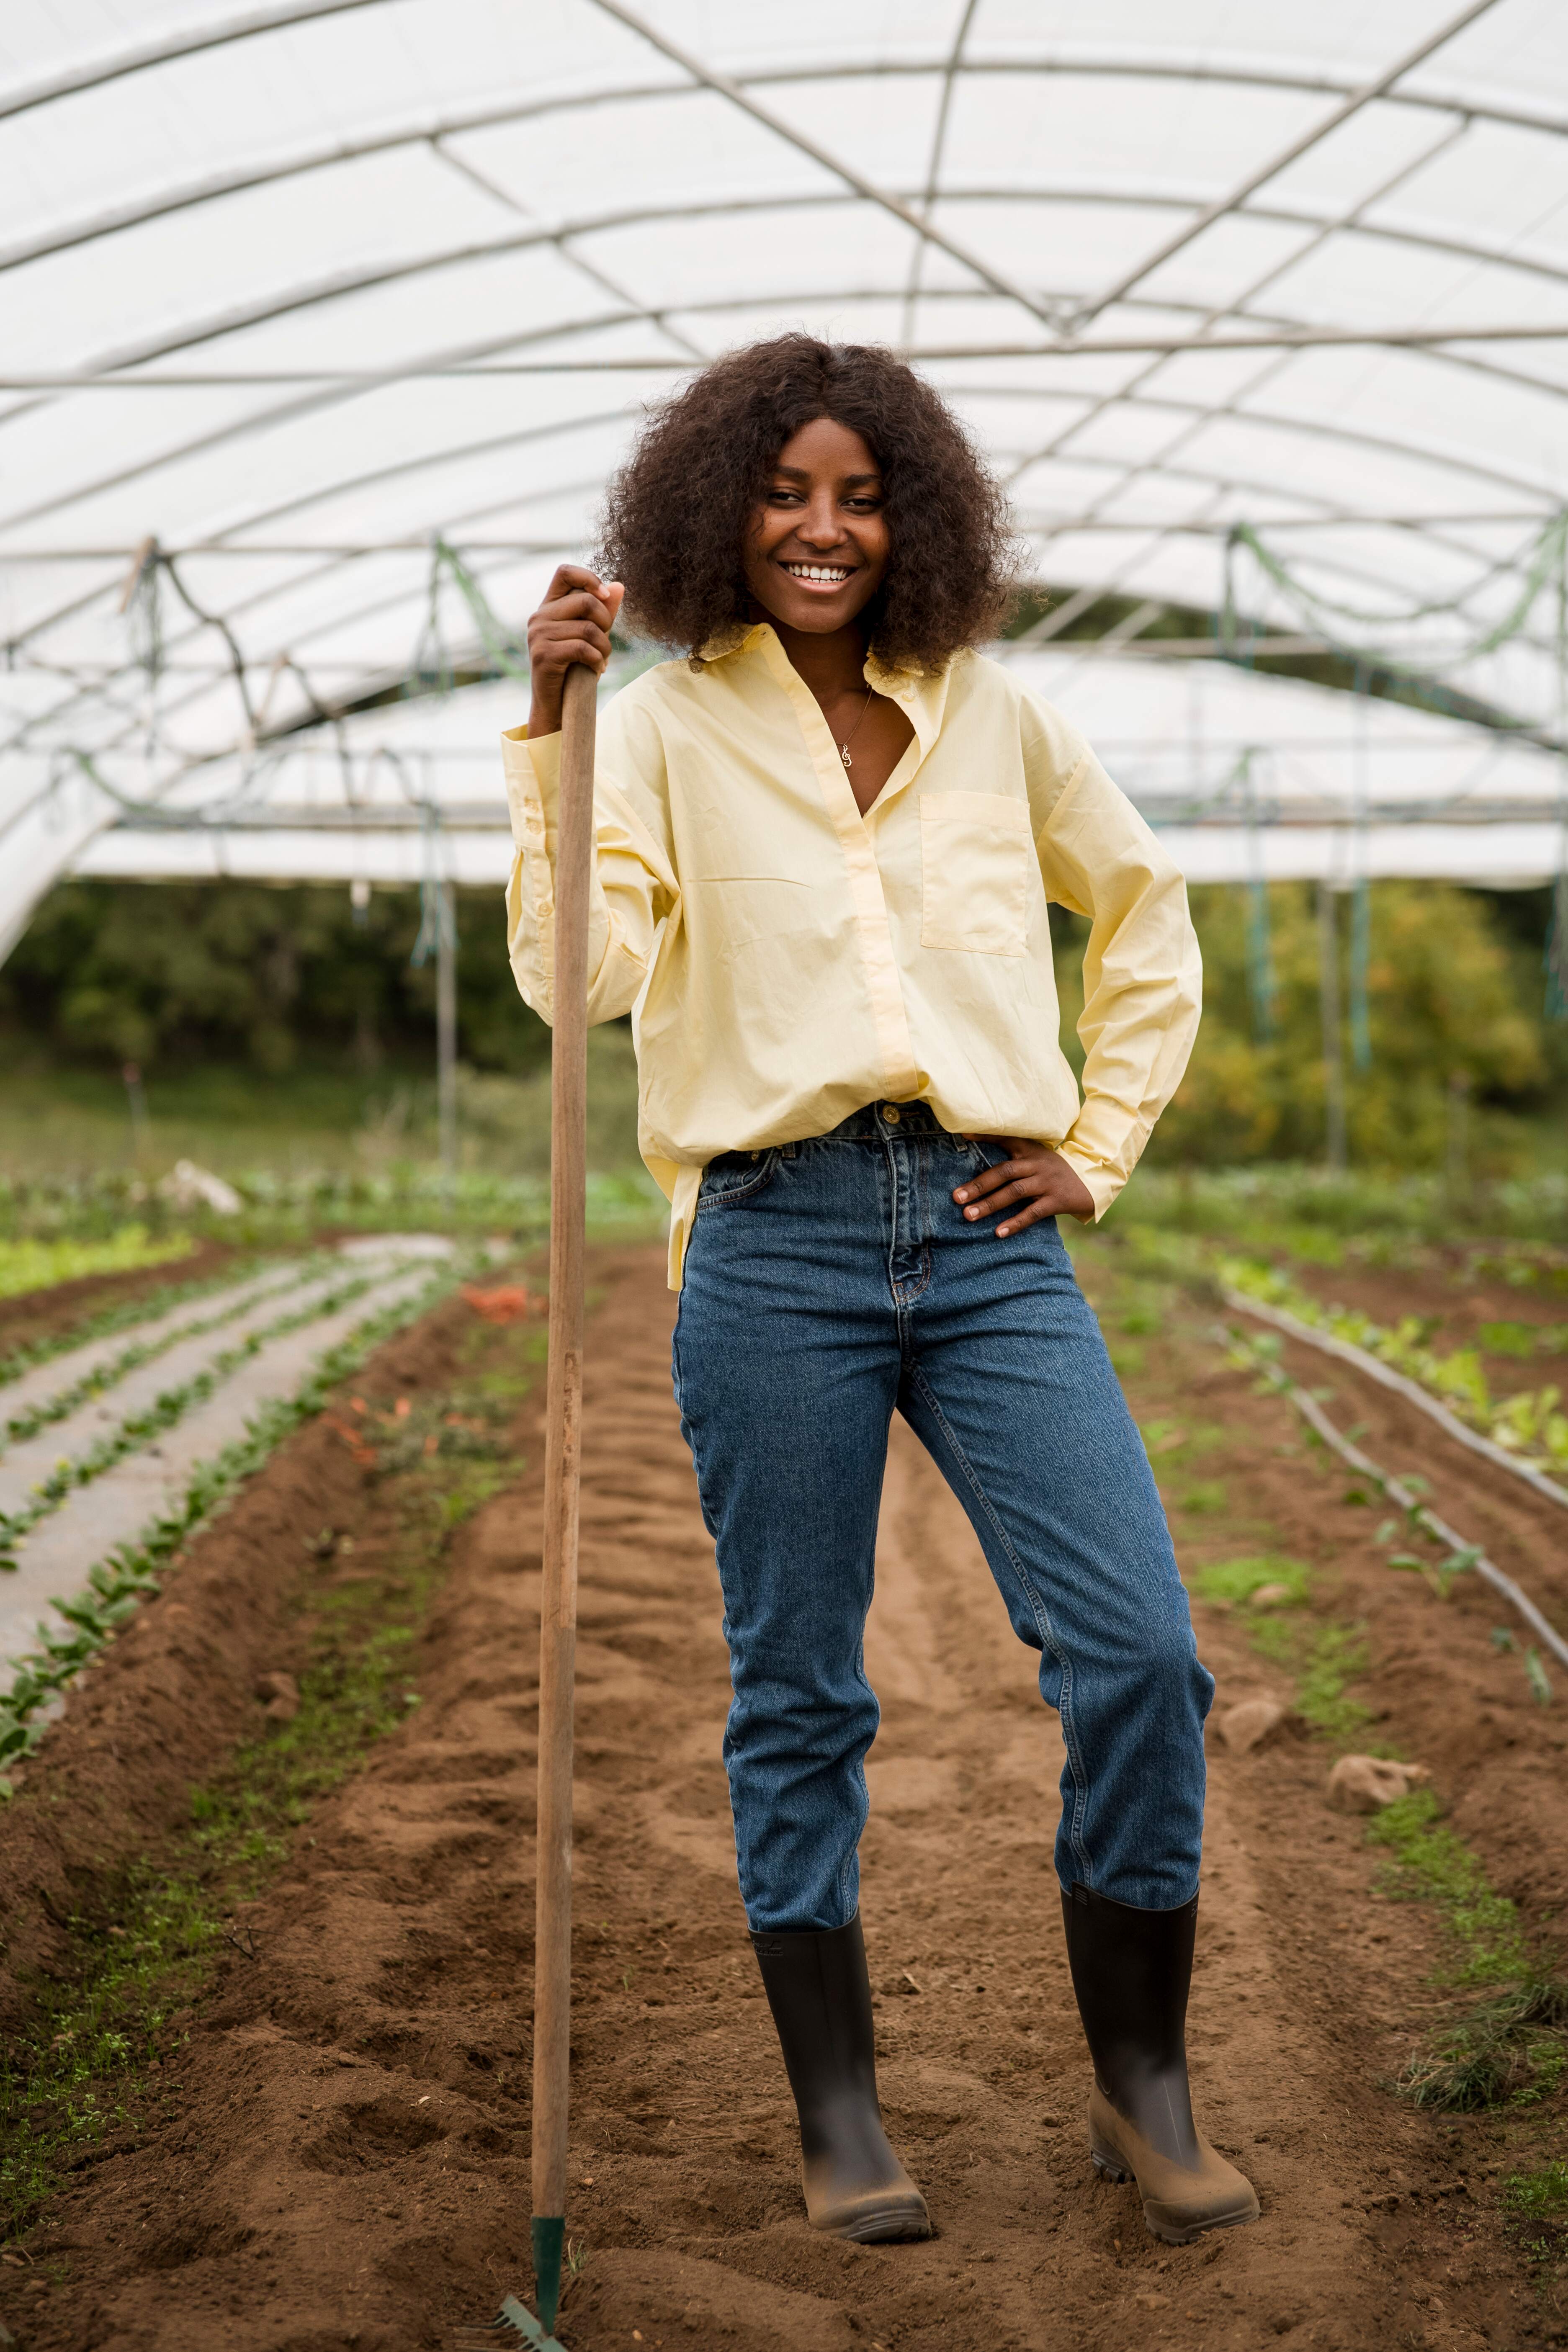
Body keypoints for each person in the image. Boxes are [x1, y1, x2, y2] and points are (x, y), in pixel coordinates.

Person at [505, 334, 1257, 2251]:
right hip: (773, 1239)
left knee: (1141, 1654)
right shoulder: (660, 729)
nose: (822, 528)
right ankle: (841, 2114)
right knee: (801, 1689)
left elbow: (1145, 907)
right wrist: (551, 727)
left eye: (858, 493)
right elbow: (575, 983)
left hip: (993, 1233)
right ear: (717, 511)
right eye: (783, 490)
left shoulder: (989, 709)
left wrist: (1098, 1139)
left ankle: (1140, 2080)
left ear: (910, 515)